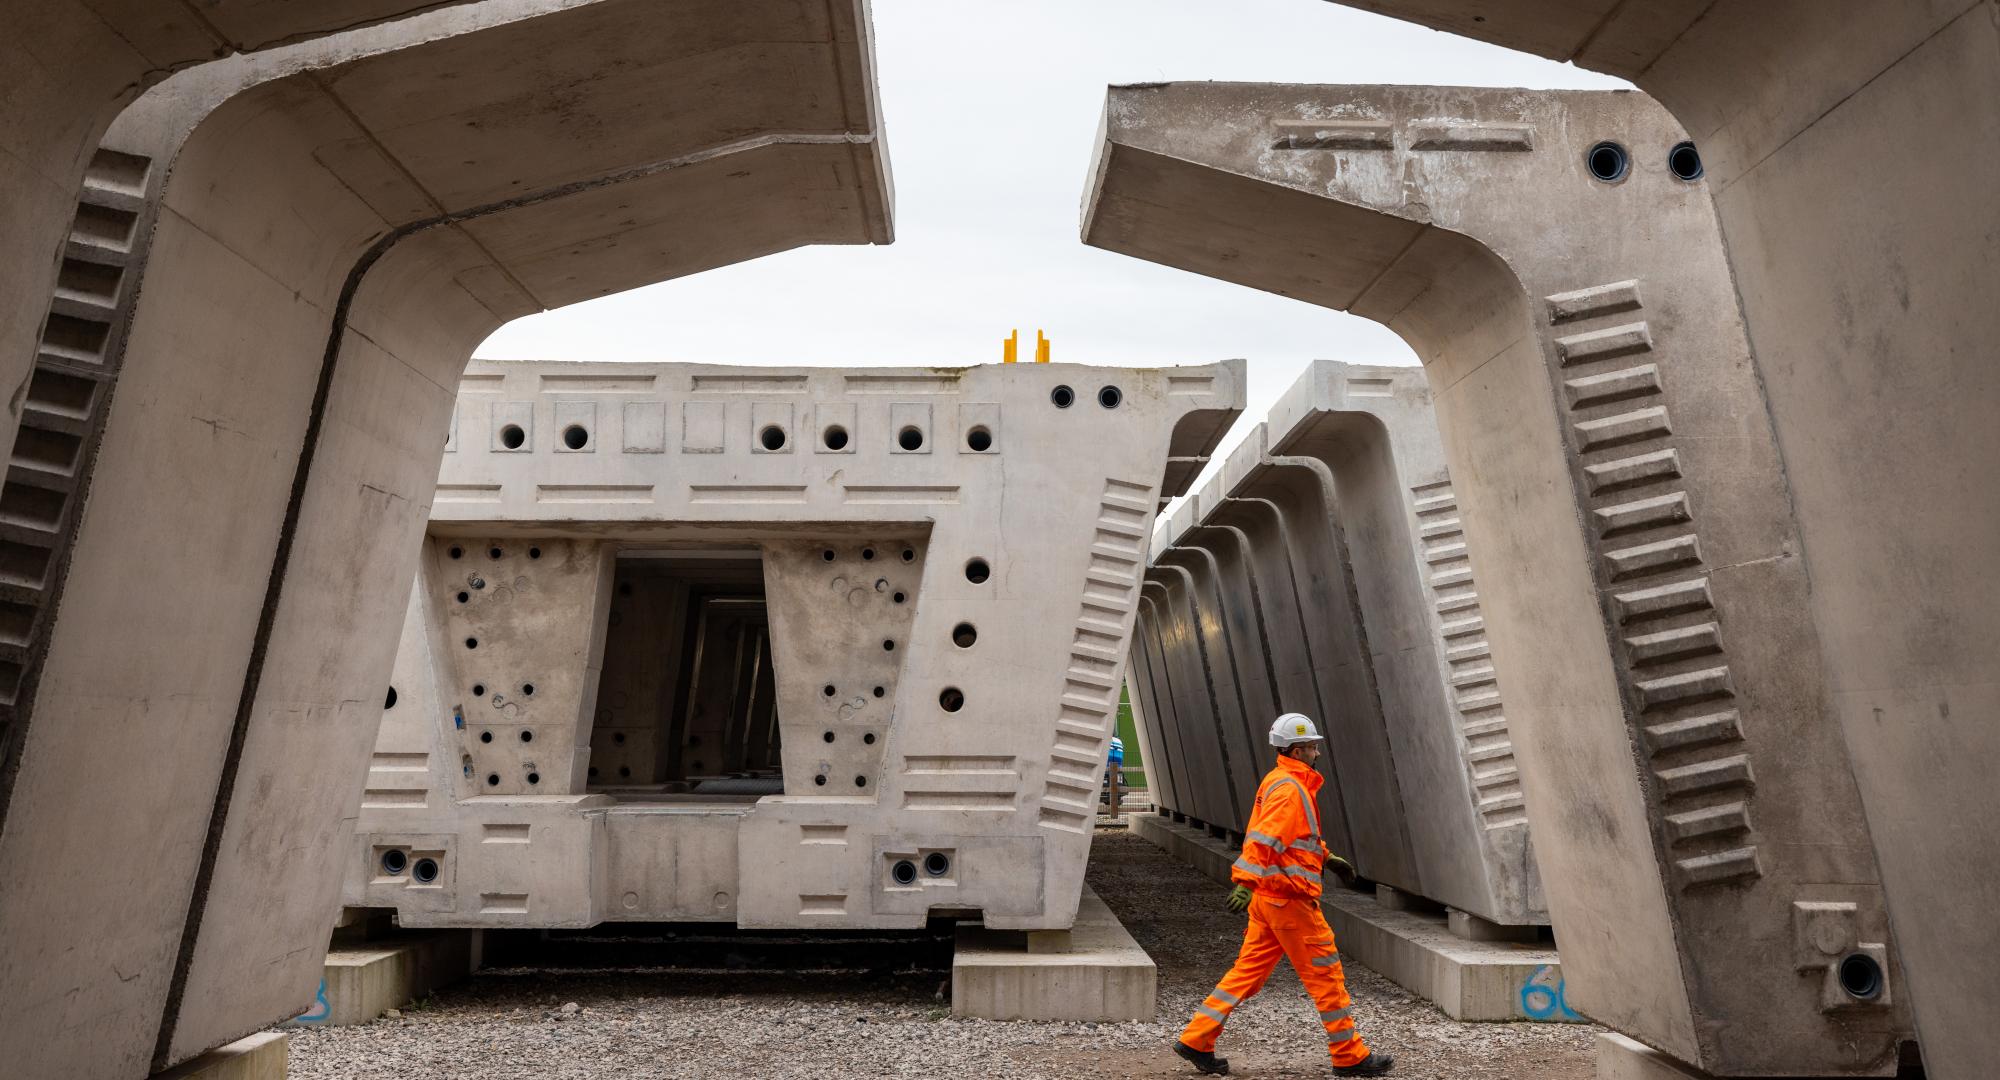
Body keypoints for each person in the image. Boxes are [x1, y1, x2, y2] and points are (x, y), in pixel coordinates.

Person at [1172, 713, 1393, 1077]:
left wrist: (1326, 856)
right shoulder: (1291, 788)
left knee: (1246, 974)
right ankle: (1349, 1056)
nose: (1317, 752)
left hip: (1269, 901)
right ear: (1296, 749)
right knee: (1327, 978)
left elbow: (1292, 838)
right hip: (1289, 901)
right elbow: (1266, 838)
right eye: (1311, 746)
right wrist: (1244, 881)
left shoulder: (1280, 781)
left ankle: (1197, 1038)